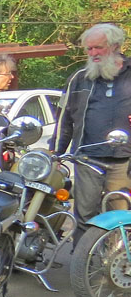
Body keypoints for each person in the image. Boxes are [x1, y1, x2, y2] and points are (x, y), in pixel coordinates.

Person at [52, 23, 131, 222]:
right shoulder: (78, 79)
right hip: (87, 157)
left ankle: (117, 253)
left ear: (115, 46)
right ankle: (83, 253)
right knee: (85, 214)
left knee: (120, 215)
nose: (93, 53)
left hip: (125, 160)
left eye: (99, 47)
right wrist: (56, 153)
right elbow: (64, 119)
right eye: (89, 49)